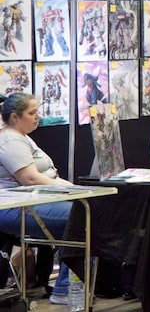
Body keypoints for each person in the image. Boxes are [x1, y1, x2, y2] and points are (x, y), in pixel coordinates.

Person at [0, 93, 72, 305]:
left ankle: (70, 284)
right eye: (32, 113)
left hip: (32, 203)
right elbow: (30, 178)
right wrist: (71, 189)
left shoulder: (21, 136)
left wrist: (74, 188)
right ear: (15, 117)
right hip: (16, 207)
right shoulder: (9, 140)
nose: (37, 117)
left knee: (86, 213)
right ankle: (66, 287)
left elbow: (47, 177)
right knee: (81, 217)